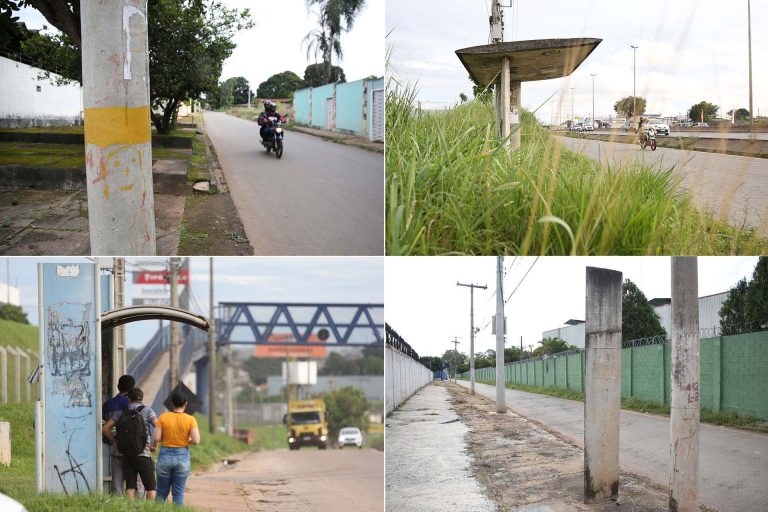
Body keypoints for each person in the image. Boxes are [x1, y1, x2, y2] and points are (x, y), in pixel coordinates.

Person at [102, 387, 158, 500]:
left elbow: (105, 428)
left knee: (130, 486)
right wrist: (155, 445)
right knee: (151, 487)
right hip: (143, 453)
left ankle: (130, 508)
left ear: (128, 398)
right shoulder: (148, 411)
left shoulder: (120, 412)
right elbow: (159, 427)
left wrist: (115, 441)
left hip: (126, 454)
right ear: (141, 398)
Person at [154, 391, 201, 506]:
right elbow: (196, 440)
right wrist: (187, 440)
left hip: (165, 455)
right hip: (182, 457)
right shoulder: (190, 420)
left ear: (172, 403)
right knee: (178, 493)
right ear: (185, 404)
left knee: (161, 492)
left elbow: (156, 437)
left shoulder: (163, 418)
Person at [102, 374, 144, 496]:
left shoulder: (108, 405)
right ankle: (138, 506)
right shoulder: (138, 406)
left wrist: (114, 441)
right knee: (137, 481)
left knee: (117, 482)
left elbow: (104, 427)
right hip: (135, 448)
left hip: (116, 447)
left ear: (118, 387)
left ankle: (118, 505)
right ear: (133, 388)